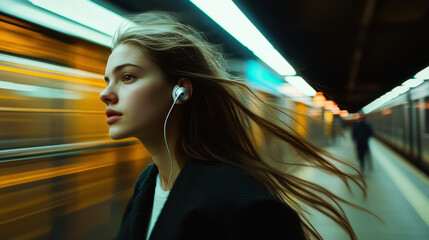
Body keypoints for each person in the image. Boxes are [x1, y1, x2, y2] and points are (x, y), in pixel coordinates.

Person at [99, 11, 366, 240]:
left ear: (181, 91)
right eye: (107, 80)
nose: (106, 93)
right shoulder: (147, 184)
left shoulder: (247, 207)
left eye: (128, 76)